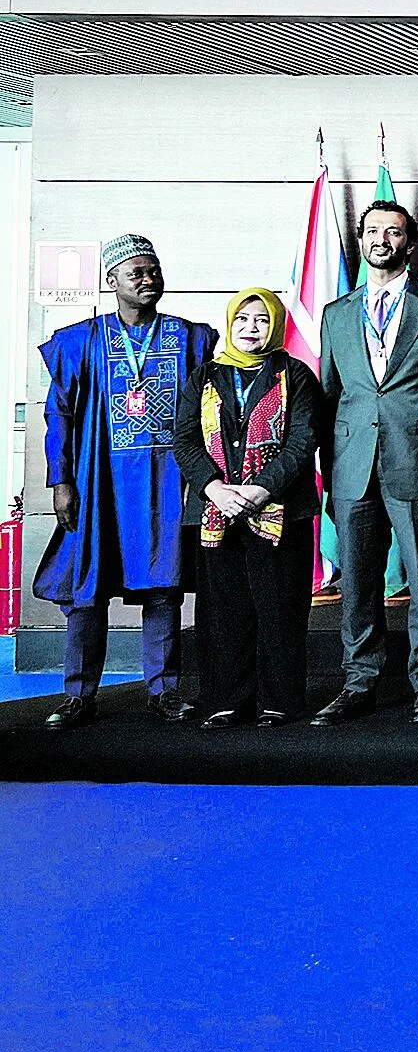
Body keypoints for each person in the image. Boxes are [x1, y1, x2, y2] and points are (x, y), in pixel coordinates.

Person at [37, 235, 217, 730]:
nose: (147, 279)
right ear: (110, 281)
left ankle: (164, 690)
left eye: (154, 270)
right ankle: (78, 694)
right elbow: (60, 414)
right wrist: (61, 481)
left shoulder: (191, 338)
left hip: (165, 483)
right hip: (100, 483)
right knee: (87, 588)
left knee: (164, 588)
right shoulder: (80, 341)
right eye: (135, 272)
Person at [312, 204, 418, 727]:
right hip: (353, 468)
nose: (383, 239)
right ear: (361, 239)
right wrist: (330, 475)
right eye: (374, 230)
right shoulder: (336, 313)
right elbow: (331, 397)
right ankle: (359, 681)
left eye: (395, 232)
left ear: (411, 243)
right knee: (359, 582)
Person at [173, 288, 323, 729]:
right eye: (243, 320)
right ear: (230, 325)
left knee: (280, 609)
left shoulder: (294, 375)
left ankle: (281, 701)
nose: (251, 328)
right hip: (215, 513)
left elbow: (303, 441)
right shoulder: (203, 376)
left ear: (275, 325)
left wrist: (260, 490)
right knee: (223, 611)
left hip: (280, 513)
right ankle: (225, 700)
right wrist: (214, 488)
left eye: (261, 320)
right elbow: (185, 441)